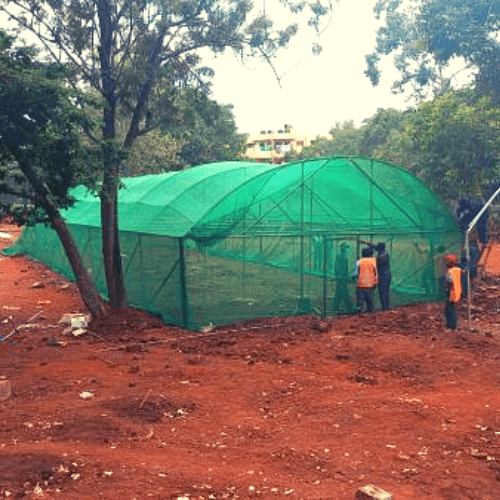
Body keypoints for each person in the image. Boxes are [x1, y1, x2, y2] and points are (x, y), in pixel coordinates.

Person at [352, 247, 378, 313]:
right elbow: (376, 273)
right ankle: (371, 314)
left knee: (360, 303)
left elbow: (355, 273)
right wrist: (375, 282)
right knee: (370, 303)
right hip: (370, 285)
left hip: (360, 285)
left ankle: (358, 314)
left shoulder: (358, 262)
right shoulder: (373, 261)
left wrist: (354, 279)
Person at [332, 242, 354, 313]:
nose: (346, 249)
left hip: (343, 277)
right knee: (344, 292)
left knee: (339, 292)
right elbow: (337, 267)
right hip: (341, 278)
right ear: (342, 248)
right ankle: (349, 307)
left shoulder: (343, 256)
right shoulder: (340, 256)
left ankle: (336, 306)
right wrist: (339, 275)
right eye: (345, 247)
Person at [444, 253, 462, 331]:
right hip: (457, 290)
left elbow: (449, 281)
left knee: (450, 309)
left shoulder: (450, 271)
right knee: (452, 308)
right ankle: (452, 325)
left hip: (451, 292)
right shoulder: (458, 270)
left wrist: (448, 290)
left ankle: (452, 326)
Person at [375, 242, 391, 310]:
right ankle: (386, 306)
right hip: (387, 274)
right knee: (386, 292)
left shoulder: (381, 256)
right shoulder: (385, 253)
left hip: (383, 275)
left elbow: (377, 264)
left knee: (382, 292)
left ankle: (384, 308)